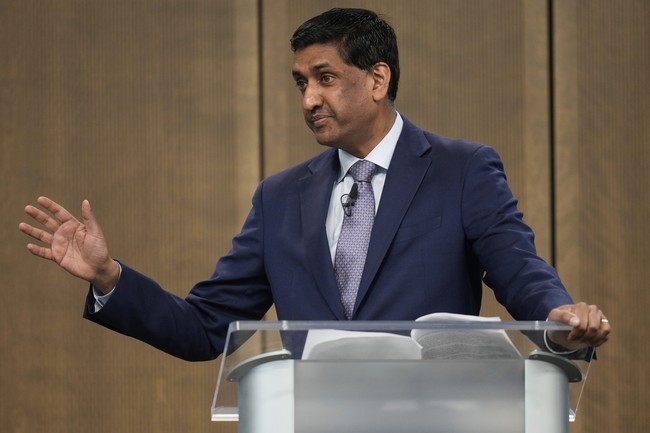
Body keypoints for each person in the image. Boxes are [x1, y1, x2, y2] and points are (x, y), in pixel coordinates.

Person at [19, 8, 609, 362]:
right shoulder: (280, 199)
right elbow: (205, 328)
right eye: (301, 82)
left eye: (325, 78)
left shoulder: (462, 169)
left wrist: (559, 316)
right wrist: (109, 277)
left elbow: (518, 269)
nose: (308, 99)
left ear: (377, 79)